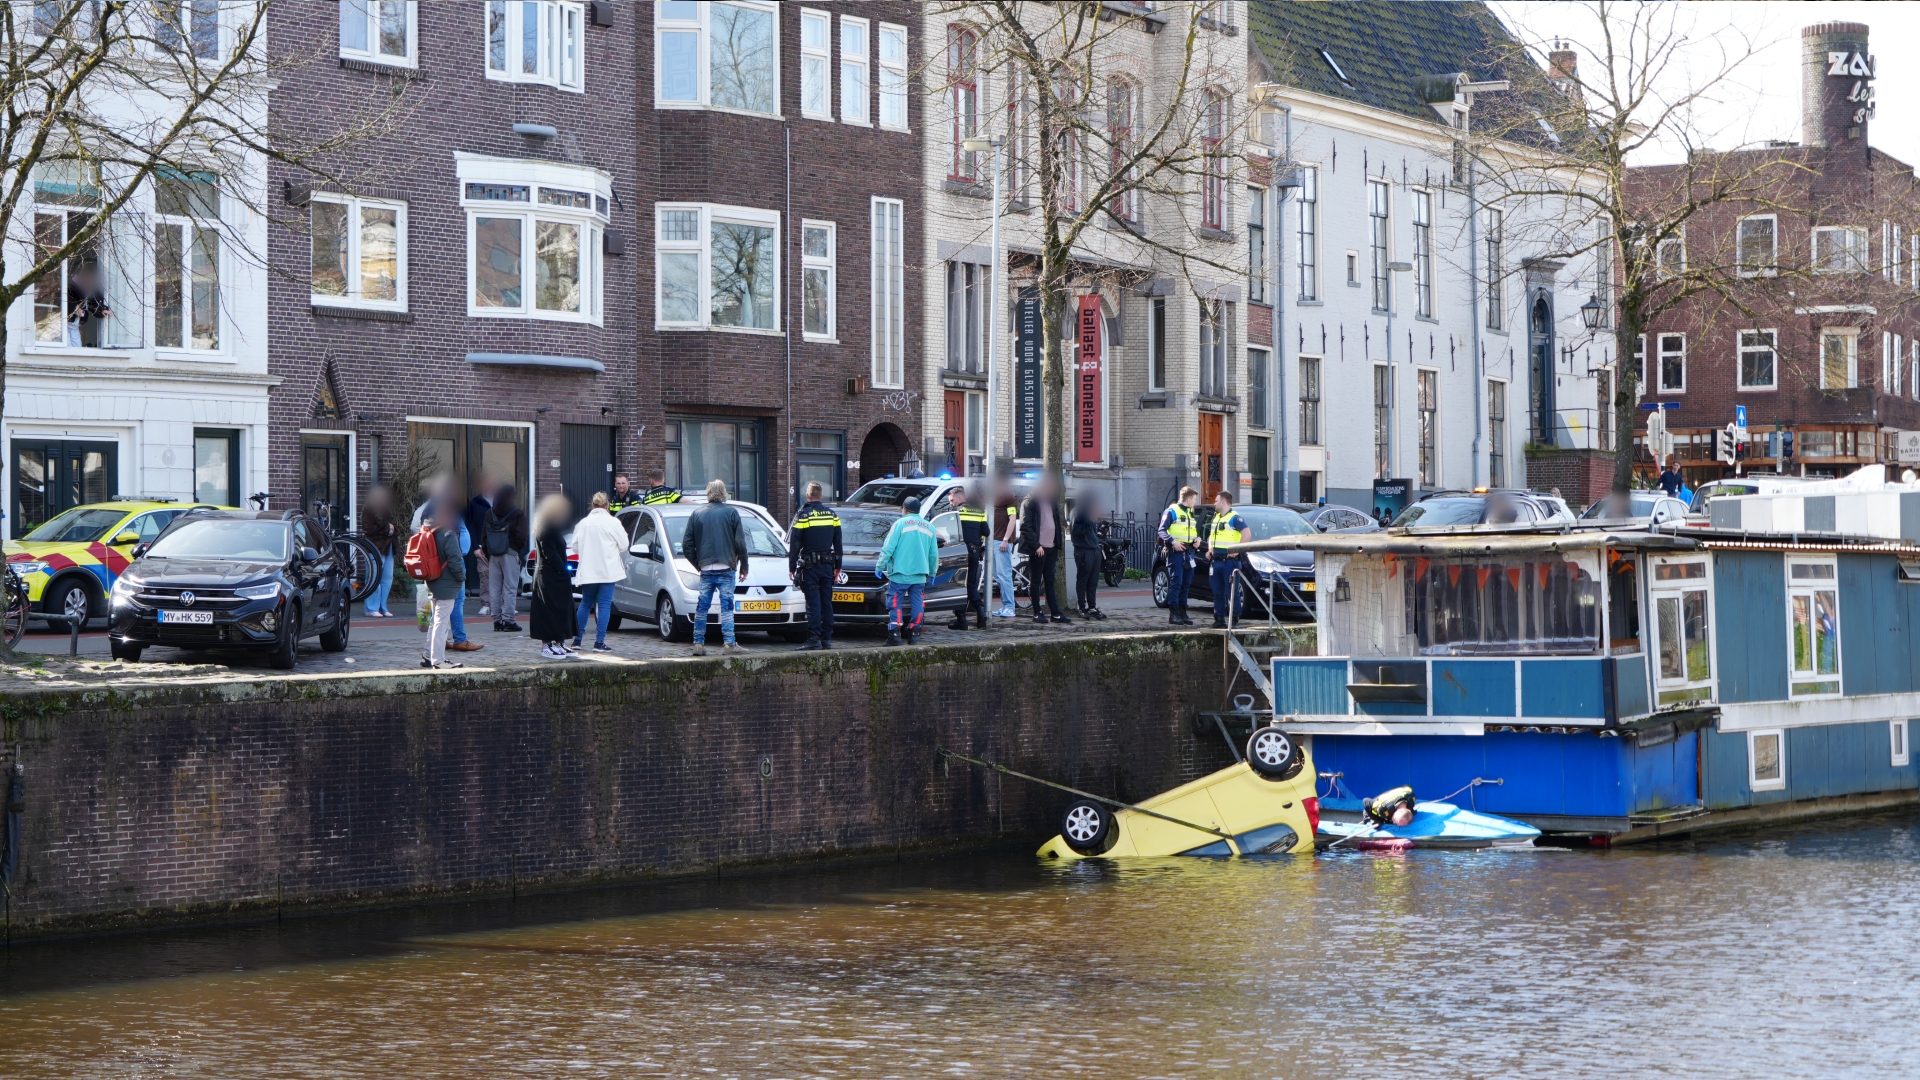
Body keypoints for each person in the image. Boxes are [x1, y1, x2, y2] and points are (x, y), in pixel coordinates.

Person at [413, 477, 482, 653]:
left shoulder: (431, 508)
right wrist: (460, 573)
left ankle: (439, 644)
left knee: (440, 607)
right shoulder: (443, 509)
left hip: (440, 562)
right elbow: (448, 541)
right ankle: (458, 640)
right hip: (447, 564)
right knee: (453, 603)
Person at [683, 479, 748, 656]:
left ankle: (698, 643)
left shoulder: (697, 514)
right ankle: (729, 643)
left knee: (702, 607)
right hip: (726, 566)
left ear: (708, 493)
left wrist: (699, 564)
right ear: (724, 493)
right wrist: (744, 566)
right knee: (727, 606)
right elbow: (740, 543)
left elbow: (686, 545)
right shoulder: (732, 513)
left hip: (705, 567)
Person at [788, 481, 843, 651]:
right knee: (827, 602)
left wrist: (792, 566)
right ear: (821, 496)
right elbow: (838, 543)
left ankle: (813, 639)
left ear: (808, 495)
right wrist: (838, 566)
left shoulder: (804, 515)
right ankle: (826, 639)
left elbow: (795, 543)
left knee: (813, 604)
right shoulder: (832, 515)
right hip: (827, 566)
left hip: (810, 567)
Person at [570, 492, 627, 653]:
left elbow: (575, 547)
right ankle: (599, 642)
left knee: (585, 603)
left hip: (589, 570)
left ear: (593, 505)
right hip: (608, 570)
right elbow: (624, 544)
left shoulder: (583, 523)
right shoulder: (613, 522)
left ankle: (577, 640)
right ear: (607, 505)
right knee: (604, 605)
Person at [878, 496, 939, 646]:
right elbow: (933, 554)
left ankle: (895, 634)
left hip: (899, 573)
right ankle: (914, 633)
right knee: (918, 603)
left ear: (904, 510)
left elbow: (888, 548)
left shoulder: (899, 524)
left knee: (895, 603)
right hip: (919, 575)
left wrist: (880, 565)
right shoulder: (929, 527)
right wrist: (932, 573)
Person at [528, 493, 578, 658]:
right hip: (548, 577)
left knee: (562, 609)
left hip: (557, 577)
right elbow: (550, 553)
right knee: (548, 610)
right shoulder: (545, 529)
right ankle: (547, 643)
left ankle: (559, 641)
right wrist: (563, 569)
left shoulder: (554, 528)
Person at [420, 502, 466, 669]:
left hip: (432, 580)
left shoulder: (428, 531)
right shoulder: (448, 533)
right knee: (441, 621)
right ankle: (438, 660)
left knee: (435, 620)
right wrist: (462, 577)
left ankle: (428, 655)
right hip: (447, 583)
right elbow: (455, 560)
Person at [1018, 477, 1069, 624]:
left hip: (1051, 547)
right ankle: (1037, 612)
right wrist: (1036, 546)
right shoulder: (1030, 501)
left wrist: (1057, 542)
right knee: (1035, 581)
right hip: (1039, 548)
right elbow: (1025, 526)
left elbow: (1056, 522)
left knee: (1050, 580)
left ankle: (1055, 613)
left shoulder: (1051, 500)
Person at [482, 484, 529, 632]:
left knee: (494, 588)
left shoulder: (490, 513)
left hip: (493, 555)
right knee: (510, 588)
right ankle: (509, 620)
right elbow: (521, 536)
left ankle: (497, 621)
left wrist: (488, 552)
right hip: (510, 553)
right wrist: (516, 549)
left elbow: (484, 536)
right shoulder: (517, 513)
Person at [1204, 490, 1249, 629]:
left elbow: (1247, 534)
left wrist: (1238, 550)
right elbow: (1212, 536)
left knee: (1232, 592)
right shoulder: (1216, 517)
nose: (1214, 503)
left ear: (1223, 502)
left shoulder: (1235, 518)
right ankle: (1219, 619)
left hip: (1229, 562)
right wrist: (1210, 549)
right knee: (1217, 592)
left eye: (1216, 500)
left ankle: (1234, 620)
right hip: (1216, 561)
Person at [946, 486, 989, 630]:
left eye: (952, 500)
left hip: (960, 552)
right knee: (970, 584)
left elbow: (949, 532)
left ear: (959, 498)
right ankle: (979, 612)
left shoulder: (955, 512)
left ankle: (963, 619)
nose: (951, 503)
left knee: (958, 586)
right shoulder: (979, 511)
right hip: (975, 551)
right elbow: (987, 531)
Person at [1158, 486, 1200, 626]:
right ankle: (1174, 613)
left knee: (1186, 584)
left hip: (1189, 553)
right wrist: (1173, 542)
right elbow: (1162, 530)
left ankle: (1182, 611)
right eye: (1194, 499)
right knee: (1176, 583)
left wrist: (1197, 539)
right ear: (1188, 499)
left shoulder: (1190, 512)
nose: (1195, 501)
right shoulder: (1172, 511)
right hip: (1176, 553)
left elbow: (1192, 531)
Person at [360, 485, 398, 618]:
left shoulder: (386, 510)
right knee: (374, 577)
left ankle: (383, 607)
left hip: (388, 546)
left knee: (387, 577)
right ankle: (371, 608)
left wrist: (390, 528)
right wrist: (387, 528)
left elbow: (393, 526)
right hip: (375, 546)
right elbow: (368, 529)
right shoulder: (368, 509)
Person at [464, 475, 497, 610]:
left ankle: (502, 603)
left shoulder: (502, 501)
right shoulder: (475, 502)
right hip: (482, 545)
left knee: (501, 575)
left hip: (499, 545)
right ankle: (486, 603)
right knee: (484, 575)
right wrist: (475, 546)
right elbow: (471, 525)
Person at [1071, 495, 1106, 621]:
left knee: (1093, 581)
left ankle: (1092, 607)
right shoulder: (1077, 512)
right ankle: (1082, 607)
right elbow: (1075, 531)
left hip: (1094, 550)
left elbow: (1091, 531)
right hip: (1083, 551)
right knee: (1083, 580)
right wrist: (1091, 520)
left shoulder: (1089, 512)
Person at [992, 478, 1019, 619]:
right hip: (993, 541)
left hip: (1000, 541)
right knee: (997, 575)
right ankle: (1005, 606)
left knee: (1004, 575)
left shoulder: (1008, 497)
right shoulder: (995, 498)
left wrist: (1005, 539)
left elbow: (1012, 519)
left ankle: (1009, 606)